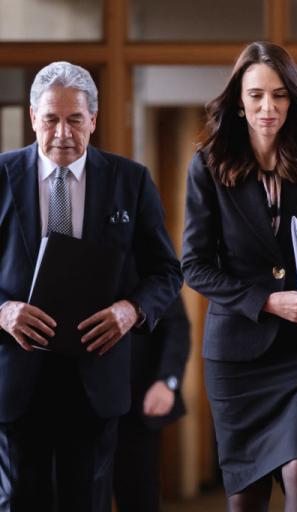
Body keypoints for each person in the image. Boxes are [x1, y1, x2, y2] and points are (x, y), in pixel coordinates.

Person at [181, 41, 297, 512]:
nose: (269, 107)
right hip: (239, 354)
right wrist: (267, 300)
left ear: (293, 99)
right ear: (239, 102)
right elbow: (195, 265)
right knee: (247, 498)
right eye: (257, 95)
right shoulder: (206, 166)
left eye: (280, 95)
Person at [0, 61, 182, 512]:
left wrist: (131, 310)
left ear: (94, 120)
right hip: (17, 376)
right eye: (51, 119)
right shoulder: (2, 175)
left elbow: (166, 272)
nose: (63, 132)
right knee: (20, 500)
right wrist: (3, 310)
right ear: (33, 117)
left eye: (75, 119)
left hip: (95, 376)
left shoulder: (130, 180)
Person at [114, 295, 190, 512]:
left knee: (139, 497)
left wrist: (168, 381)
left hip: (138, 399)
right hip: (78, 404)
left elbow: (177, 326)